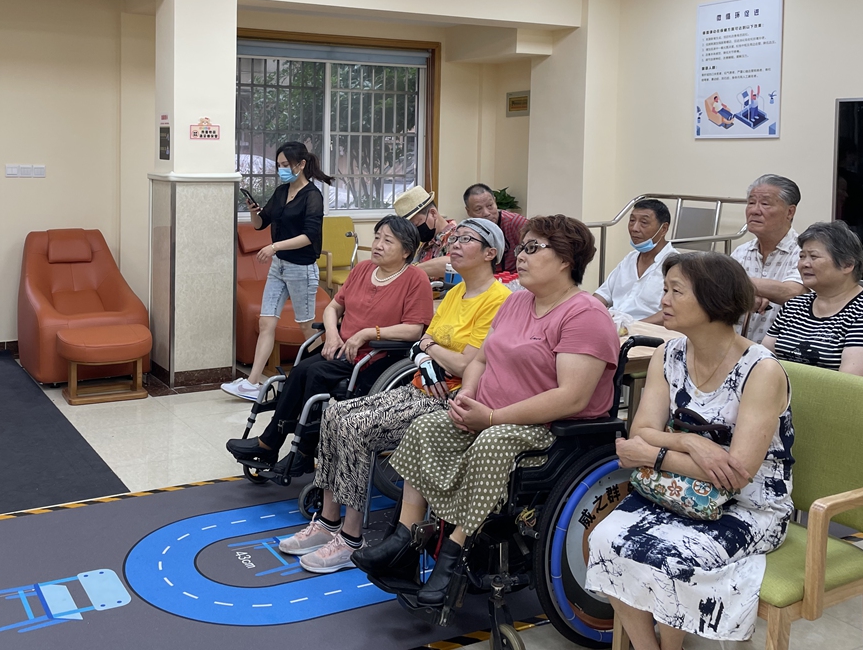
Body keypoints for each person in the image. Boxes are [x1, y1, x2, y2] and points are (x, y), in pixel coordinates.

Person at [353, 215, 619, 606]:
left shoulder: (584, 315)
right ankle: (406, 538)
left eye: (532, 248)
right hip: (488, 409)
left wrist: (492, 417)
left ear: (566, 259)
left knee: (492, 442)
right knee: (427, 427)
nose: (520, 256)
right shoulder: (517, 303)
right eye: (521, 247)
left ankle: (453, 556)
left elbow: (572, 397)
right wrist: (468, 398)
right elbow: (479, 360)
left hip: (546, 427)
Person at [586, 252, 793, 648]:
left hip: (749, 506)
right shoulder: (671, 353)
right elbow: (642, 427)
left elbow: (736, 473)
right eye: (665, 289)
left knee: (669, 557)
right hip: (678, 490)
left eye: (675, 291)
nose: (663, 300)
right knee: (604, 539)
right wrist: (689, 441)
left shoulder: (760, 370)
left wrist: (652, 455)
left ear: (714, 299)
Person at [281, 219, 511, 573]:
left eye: (467, 239)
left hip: (448, 399)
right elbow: (422, 343)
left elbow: (467, 365)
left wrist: (431, 351)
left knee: (356, 425)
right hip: (420, 385)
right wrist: (430, 353)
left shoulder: (499, 300)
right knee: (334, 413)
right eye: (456, 237)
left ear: (490, 253)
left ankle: (351, 538)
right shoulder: (453, 294)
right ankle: (327, 522)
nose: (456, 244)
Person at [226, 216, 434, 473]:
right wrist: (333, 335)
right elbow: (334, 307)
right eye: (377, 237)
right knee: (299, 371)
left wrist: (369, 333)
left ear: (406, 251)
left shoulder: (415, 279)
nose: (378, 244)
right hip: (344, 350)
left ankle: (298, 452)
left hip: (378, 357)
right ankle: (271, 443)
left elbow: (414, 328)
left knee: (314, 374)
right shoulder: (363, 269)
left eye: (387, 241)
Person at [222, 141, 332, 401]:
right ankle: (252, 383)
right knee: (266, 321)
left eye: (286, 165)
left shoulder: (312, 196)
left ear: (301, 165)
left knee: (306, 327)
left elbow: (309, 235)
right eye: (279, 166)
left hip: (301, 268)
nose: (281, 170)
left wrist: (274, 246)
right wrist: (253, 213)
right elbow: (262, 224)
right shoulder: (282, 192)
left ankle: (325, 375)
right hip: (279, 266)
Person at [765, 221, 863, 381]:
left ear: (847, 265)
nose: (804, 264)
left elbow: (848, 389)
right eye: (802, 256)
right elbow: (764, 360)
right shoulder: (794, 305)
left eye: (813, 256)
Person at [731, 174, 805, 342]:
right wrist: (748, 296)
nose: (754, 210)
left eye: (765, 203)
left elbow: (793, 293)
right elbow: (715, 292)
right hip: (735, 351)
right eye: (751, 203)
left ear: (790, 212)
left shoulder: (803, 252)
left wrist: (742, 289)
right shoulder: (741, 252)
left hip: (781, 356)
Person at [594, 198, 677, 324]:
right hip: (613, 325)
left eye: (644, 222)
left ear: (663, 229)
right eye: (632, 221)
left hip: (646, 332)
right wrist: (586, 311)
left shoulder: (675, 265)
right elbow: (602, 295)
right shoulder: (630, 259)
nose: (634, 228)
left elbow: (673, 310)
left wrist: (634, 327)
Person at [394, 186, 456, 280]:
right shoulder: (423, 242)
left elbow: (454, 263)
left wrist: (411, 270)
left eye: (416, 224)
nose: (415, 231)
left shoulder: (458, 236)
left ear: (433, 213)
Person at [463, 183, 526, 274]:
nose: (486, 213)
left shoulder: (515, 222)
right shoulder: (467, 231)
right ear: (468, 211)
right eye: (478, 209)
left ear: (495, 202)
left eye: (490, 206)